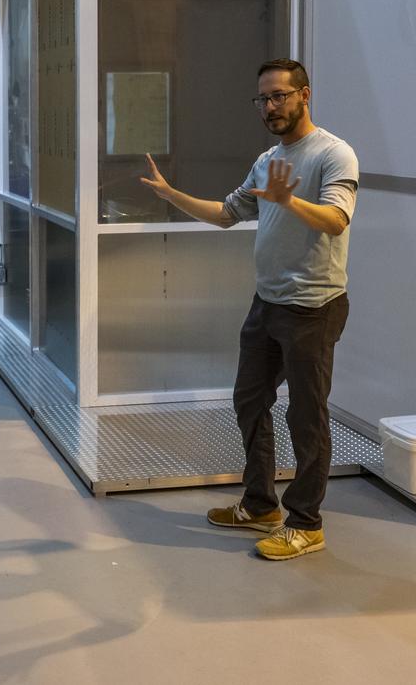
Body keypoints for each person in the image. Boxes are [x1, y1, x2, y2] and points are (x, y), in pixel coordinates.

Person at [142, 58, 358, 561]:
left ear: (305, 94)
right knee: (249, 401)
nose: (269, 107)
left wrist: (287, 202)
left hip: (313, 307)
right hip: (268, 304)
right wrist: (170, 193)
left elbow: (336, 220)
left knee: (307, 417)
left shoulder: (334, 154)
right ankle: (261, 505)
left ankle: (307, 523)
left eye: (279, 96)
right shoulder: (266, 161)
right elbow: (225, 214)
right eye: (262, 99)